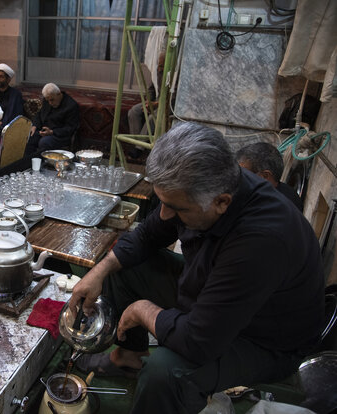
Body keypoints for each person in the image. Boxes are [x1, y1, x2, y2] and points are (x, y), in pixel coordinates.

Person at [67, 122, 324, 413]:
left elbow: (198, 341)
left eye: (176, 208)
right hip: (217, 292)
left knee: (165, 372)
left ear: (221, 202)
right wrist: (97, 272)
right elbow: (148, 235)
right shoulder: (202, 189)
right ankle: (128, 355)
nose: (165, 214)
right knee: (123, 266)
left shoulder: (260, 240)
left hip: (265, 338)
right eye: (162, 202)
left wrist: (144, 310)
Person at [236, 142, 303, 211]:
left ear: (264, 176)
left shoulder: (280, 206)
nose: (238, 179)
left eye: (244, 174)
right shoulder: (255, 195)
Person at [24, 83, 79, 155]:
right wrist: (34, 125)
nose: (50, 103)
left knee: (44, 142)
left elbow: (70, 128)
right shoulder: (47, 100)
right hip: (44, 131)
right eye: (48, 100)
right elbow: (39, 114)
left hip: (60, 135)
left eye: (52, 100)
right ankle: (27, 163)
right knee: (30, 137)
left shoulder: (71, 105)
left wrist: (52, 132)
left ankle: (39, 163)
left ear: (59, 94)